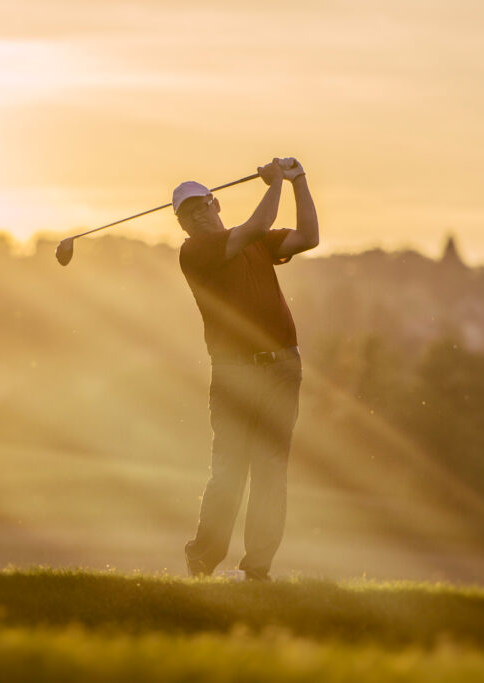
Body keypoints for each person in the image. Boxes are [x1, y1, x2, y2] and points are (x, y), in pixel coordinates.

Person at [174, 157, 319, 581]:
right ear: (182, 226)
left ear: (215, 204)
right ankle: (203, 557)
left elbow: (309, 236)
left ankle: (257, 568)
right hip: (235, 372)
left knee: (271, 469)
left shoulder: (256, 243)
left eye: (202, 205)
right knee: (230, 470)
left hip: (282, 367)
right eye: (188, 213)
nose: (198, 216)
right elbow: (255, 226)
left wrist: (298, 180)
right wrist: (273, 183)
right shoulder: (196, 251)